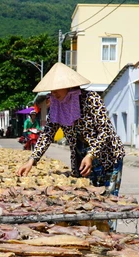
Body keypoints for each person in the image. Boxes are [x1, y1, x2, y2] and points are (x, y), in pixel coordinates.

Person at [16, 62, 125, 231]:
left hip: (107, 156)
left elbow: (106, 131)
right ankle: (91, 235)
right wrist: (32, 160)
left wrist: (91, 154)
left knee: (108, 200)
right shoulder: (56, 105)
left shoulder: (91, 100)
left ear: (68, 86)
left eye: (56, 89)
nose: (53, 93)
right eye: (51, 90)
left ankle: (109, 236)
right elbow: (47, 134)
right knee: (87, 200)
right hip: (81, 156)